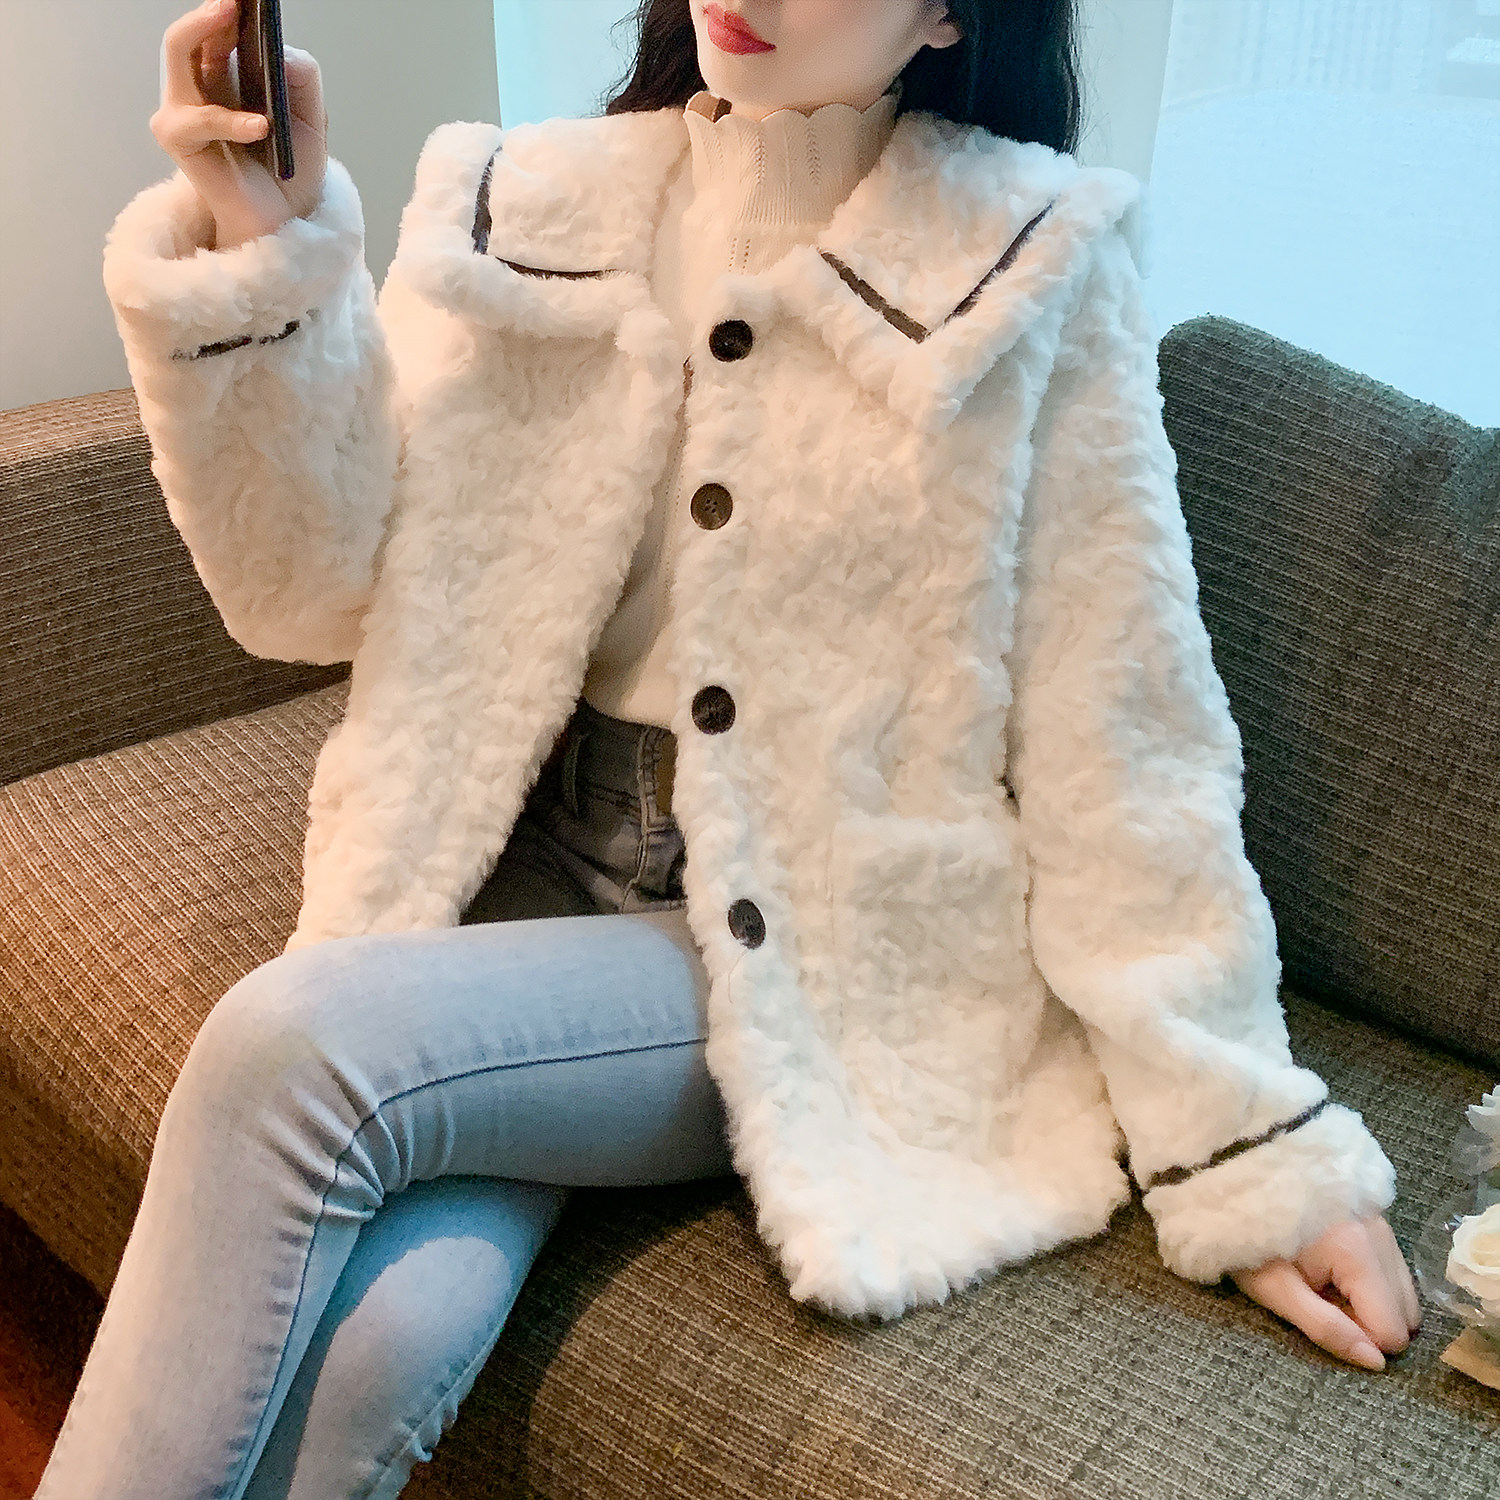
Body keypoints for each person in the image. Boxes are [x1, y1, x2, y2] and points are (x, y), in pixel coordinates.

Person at [41, 0, 1422, 1494]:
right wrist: (262, 249)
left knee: (291, 1047)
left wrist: (1250, 1146)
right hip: (517, 863)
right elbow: (311, 591)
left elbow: (1124, 729)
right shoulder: (529, 205)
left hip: (796, 934)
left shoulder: (1033, 264)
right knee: (379, 1344)